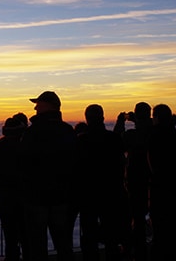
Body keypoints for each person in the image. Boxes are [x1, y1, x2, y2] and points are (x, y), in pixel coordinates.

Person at [20, 91, 77, 261]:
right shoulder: (67, 131)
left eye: (39, 103)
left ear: (48, 105)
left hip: (37, 197)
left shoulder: (33, 132)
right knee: (63, 242)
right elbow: (74, 162)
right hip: (61, 196)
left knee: (37, 245)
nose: (36, 107)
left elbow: (23, 162)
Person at [74, 104, 127, 261]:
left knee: (89, 236)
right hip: (111, 194)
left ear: (86, 119)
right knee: (111, 236)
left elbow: (76, 169)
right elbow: (121, 164)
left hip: (87, 195)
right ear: (102, 118)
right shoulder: (114, 139)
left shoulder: (81, 142)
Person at [147, 104, 176, 261]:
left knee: (160, 231)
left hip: (160, 191)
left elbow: (154, 167)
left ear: (157, 118)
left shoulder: (153, 138)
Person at [113, 102, 153, 261]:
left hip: (135, 180)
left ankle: (135, 250)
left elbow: (117, 143)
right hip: (154, 181)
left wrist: (121, 121)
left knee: (134, 218)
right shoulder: (155, 131)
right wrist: (138, 120)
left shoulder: (132, 135)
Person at [0, 116, 28, 261]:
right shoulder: (27, 147)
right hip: (26, 200)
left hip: (5, 201)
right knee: (28, 240)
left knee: (10, 240)